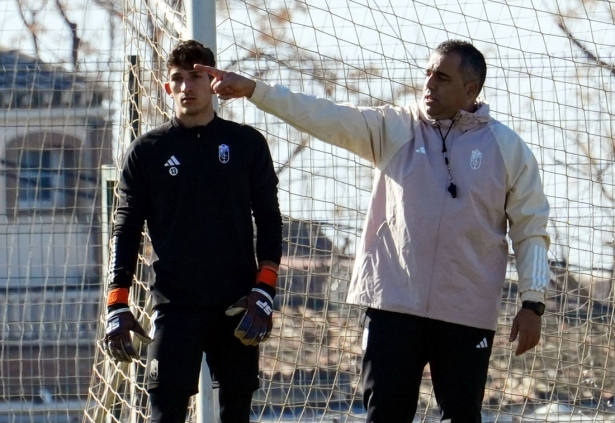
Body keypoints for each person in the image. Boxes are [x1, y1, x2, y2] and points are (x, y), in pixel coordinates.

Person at [196, 39, 550, 422]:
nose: (429, 84)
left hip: (466, 313)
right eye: (428, 74)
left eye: (442, 78)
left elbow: (531, 229)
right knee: (384, 416)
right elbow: (326, 115)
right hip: (391, 306)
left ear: (470, 90)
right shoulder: (395, 127)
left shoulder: (507, 148)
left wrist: (532, 303)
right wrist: (255, 91)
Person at [102, 39, 282, 423]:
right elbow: (126, 228)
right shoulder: (146, 151)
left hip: (237, 304)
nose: (187, 87)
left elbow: (269, 218)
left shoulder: (246, 144)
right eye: (178, 79)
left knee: (236, 414)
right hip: (174, 305)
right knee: (163, 415)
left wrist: (265, 290)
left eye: (196, 76)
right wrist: (117, 301)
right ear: (168, 87)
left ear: (213, 81)